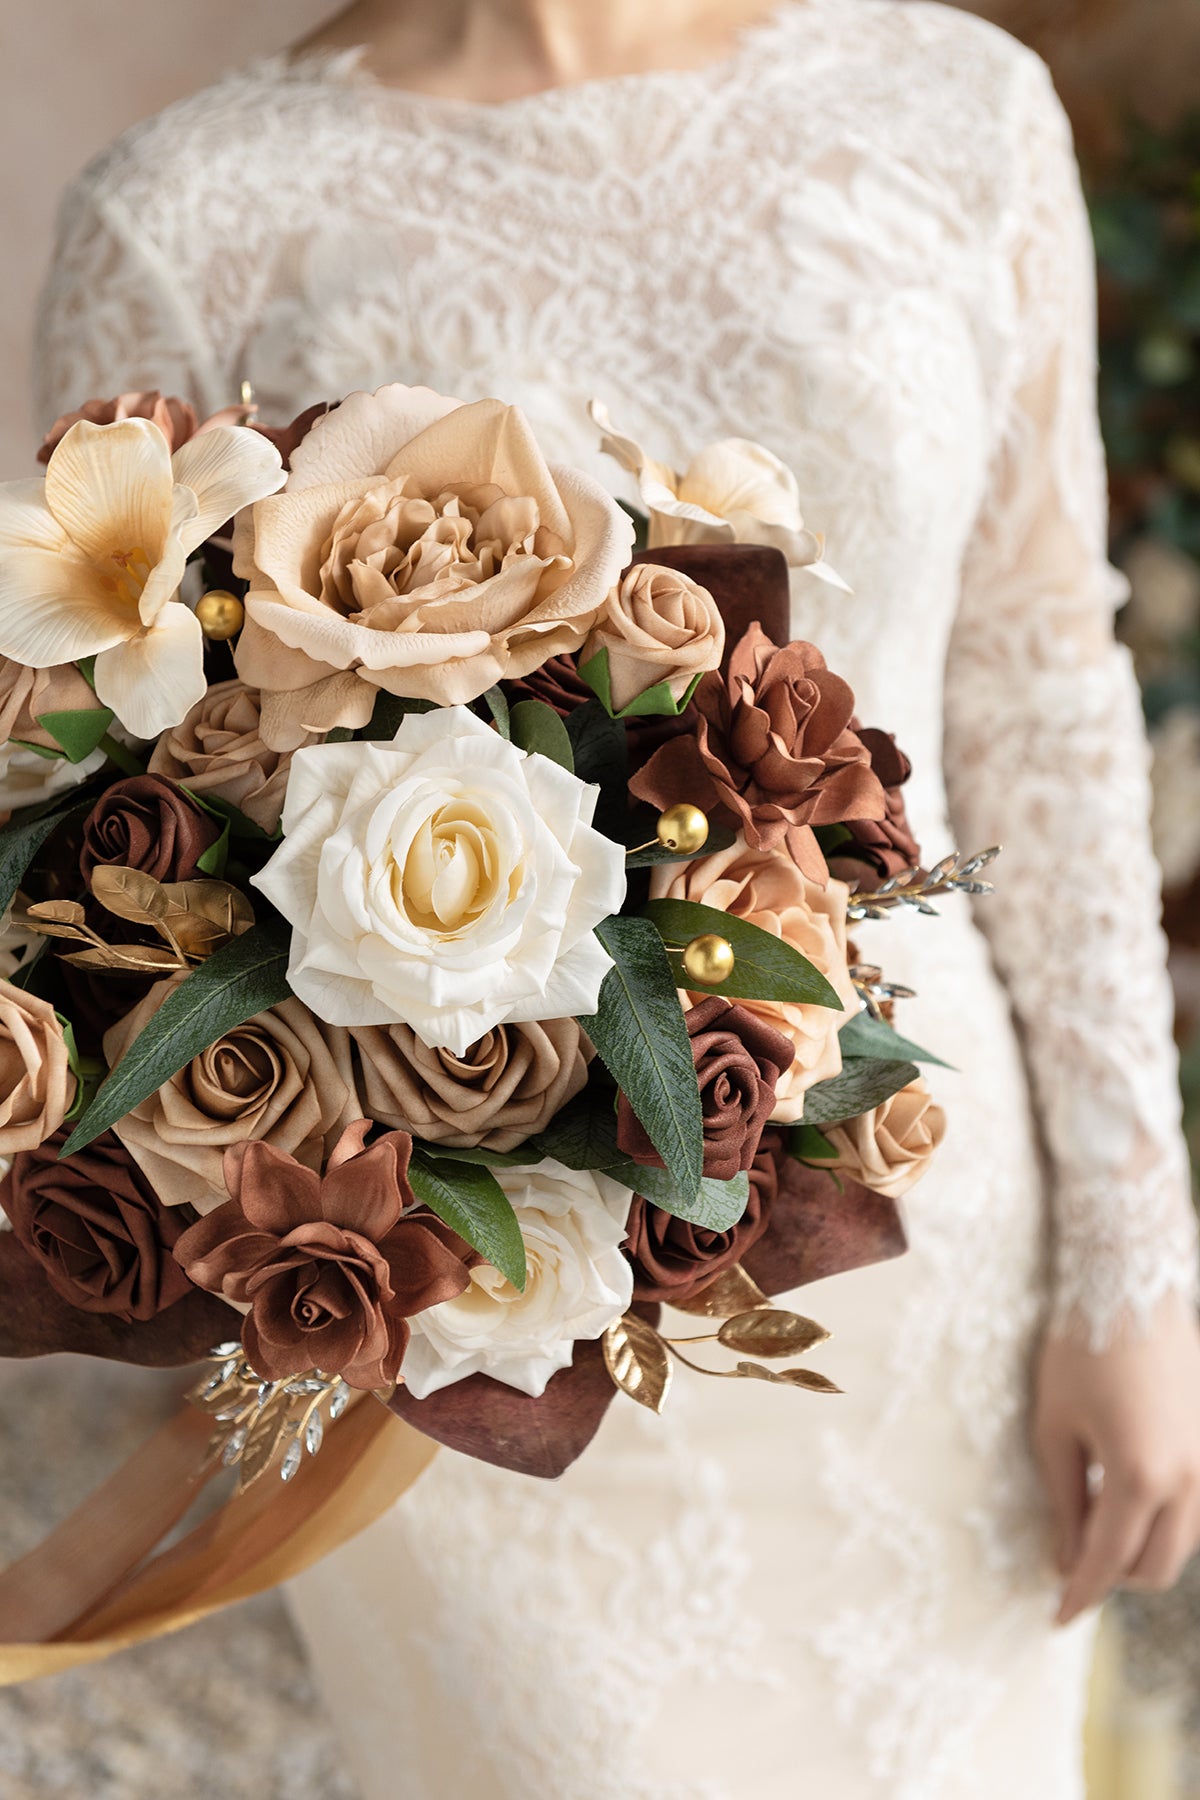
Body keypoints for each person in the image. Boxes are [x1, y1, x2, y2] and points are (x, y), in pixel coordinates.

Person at [32, 1, 1200, 1793]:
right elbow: (109, 814)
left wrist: (1136, 1257)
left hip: (918, 1207)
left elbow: (1038, 680)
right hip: (472, 1299)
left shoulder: (956, 104)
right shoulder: (195, 211)